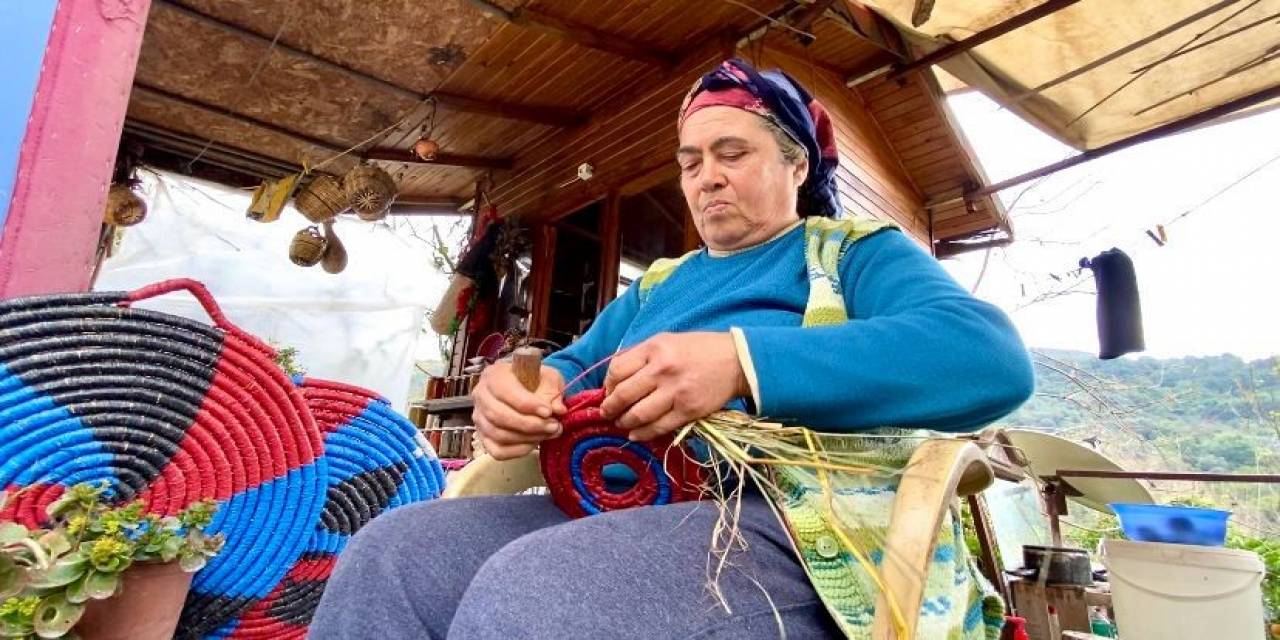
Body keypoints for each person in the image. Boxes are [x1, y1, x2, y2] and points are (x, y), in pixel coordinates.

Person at [310, 59, 1034, 639]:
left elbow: (990, 357)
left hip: (788, 528)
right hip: (617, 503)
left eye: (732, 152)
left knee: (538, 590)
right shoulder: (661, 286)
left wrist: (743, 362)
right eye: (690, 161)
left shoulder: (849, 254)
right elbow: (570, 367)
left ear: (797, 167)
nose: (705, 175)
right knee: (392, 553)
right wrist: (518, 390)